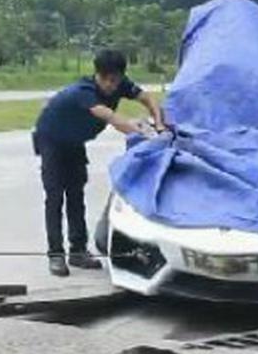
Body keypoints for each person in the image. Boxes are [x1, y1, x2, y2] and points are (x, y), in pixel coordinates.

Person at [33, 49, 166, 277]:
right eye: (110, 81)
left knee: (76, 195)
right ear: (99, 76)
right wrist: (148, 135)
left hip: (74, 141)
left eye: (117, 80)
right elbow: (112, 118)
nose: (114, 86)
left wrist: (160, 123)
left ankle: (78, 252)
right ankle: (56, 255)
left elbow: (148, 99)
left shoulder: (121, 83)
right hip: (51, 140)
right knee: (55, 197)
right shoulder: (83, 92)